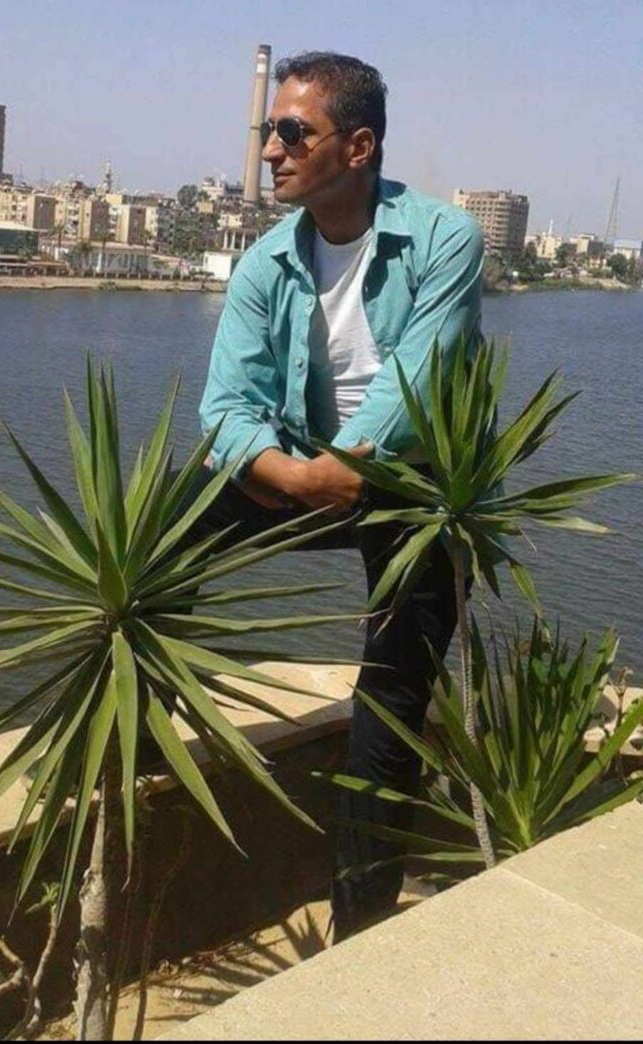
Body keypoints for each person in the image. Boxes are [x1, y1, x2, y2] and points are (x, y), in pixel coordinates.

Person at [196, 51, 484, 940]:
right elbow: (225, 407)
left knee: (388, 711)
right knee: (161, 536)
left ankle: (357, 934)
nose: (270, 151)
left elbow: (416, 384)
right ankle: (134, 722)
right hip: (304, 476)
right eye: (269, 131)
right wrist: (291, 475)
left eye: (293, 132)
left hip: (413, 496)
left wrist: (341, 468)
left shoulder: (444, 239)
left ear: (358, 147)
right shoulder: (264, 263)